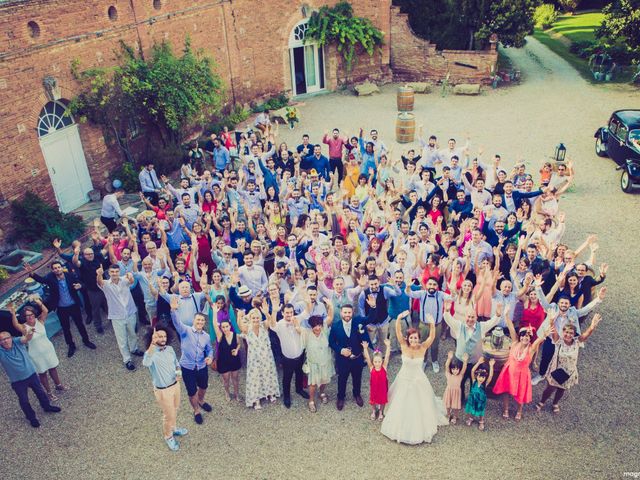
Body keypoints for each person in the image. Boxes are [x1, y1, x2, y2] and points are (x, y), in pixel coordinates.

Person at [380, 311, 449, 444]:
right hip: (404, 378)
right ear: (408, 338)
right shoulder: (404, 345)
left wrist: (432, 325)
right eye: (411, 338)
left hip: (418, 379)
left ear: (418, 338)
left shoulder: (423, 347)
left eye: (415, 338)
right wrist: (399, 318)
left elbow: (432, 337)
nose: (413, 340)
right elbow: (399, 332)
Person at [25, 260, 96, 358]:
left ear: (62, 267)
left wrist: (80, 286)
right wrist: (31, 273)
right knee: (66, 328)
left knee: (80, 325)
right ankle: (71, 345)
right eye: (55, 268)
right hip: (61, 309)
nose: (57, 269)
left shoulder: (70, 276)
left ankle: (86, 341)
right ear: (52, 270)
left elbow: (81, 283)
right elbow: (41, 280)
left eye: (59, 267)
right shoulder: (50, 278)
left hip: (73, 306)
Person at [535, 314, 602, 414]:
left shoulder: (577, 342)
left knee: (561, 389)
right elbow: (553, 329)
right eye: (566, 332)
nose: (568, 335)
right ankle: (542, 402)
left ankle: (555, 403)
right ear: (563, 332)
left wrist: (592, 326)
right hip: (556, 370)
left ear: (574, 334)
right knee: (550, 388)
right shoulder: (558, 341)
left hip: (569, 372)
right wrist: (551, 321)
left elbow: (586, 335)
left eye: (571, 333)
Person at [492, 311, 550, 420]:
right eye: (523, 336)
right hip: (509, 372)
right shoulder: (514, 343)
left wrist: (545, 334)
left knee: (520, 394)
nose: (525, 338)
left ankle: (519, 411)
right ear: (520, 337)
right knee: (506, 391)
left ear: (529, 338)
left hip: (522, 375)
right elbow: (511, 328)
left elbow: (539, 340)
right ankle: (506, 409)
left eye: (527, 336)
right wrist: (506, 316)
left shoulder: (531, 349)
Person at [0, 330, 61, 428]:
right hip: (17, 381)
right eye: (2, 340)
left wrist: (30, 333)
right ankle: (32, 418)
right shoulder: (1, 352)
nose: (5, 341)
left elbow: (26, 338)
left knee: (40, 392)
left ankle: (47, 406)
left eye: (6, 338)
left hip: (31, 375)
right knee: (24, 400)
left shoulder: (17, 342)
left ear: (11, 338)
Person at [9, 299, 66, 401]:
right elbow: (15, 324)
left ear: (34, 314)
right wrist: (13, 314)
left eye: (31, 314)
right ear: (24, 317)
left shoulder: (40, 321)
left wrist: (39, 303)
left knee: (53, 367)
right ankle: (49, 393)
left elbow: (45, 311)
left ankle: (59, 385)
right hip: (36, 354)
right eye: (27, 315)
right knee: (42, 373)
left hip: (47, 349)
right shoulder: (24, 327)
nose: (30, 317)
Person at [169, 296, 214, 424]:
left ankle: (201, 400)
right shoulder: (185, 331)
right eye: (198, 320)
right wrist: (174, 311)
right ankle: (196, 410)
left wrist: (210, 357)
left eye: (202, 320)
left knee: (204, 386)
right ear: (193, 321)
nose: (200, 322)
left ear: (204, 323)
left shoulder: (206, 336)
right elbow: (177, 323)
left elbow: (210, 349)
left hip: (201, 366)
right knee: (192, 391)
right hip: (187, 367)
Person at [142, 327, 188, 451]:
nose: (162, 339)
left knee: (176, 408)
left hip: (175, 385)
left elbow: (176, 363)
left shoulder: (170, 349)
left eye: (164, 336)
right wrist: (152, 344)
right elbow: (145, 363)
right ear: (152, 338)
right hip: (163, 390)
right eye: (158, 336)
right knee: (169, 415)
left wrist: (178, 372)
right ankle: (168, 436)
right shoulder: (150, 354)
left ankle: (173, 428)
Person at [96, 264, 143, 370]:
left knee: (133, 334)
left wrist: (130, 276)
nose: (114, 274)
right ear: (109, 273)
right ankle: (127, 360)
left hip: (130, 312)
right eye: (112, 272)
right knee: (122, 339)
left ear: (119, 272)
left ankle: (134, 349)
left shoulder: (124, 280)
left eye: (116, 271)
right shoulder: (106, 284)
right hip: (117, 316)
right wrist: (99, 274)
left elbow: (131, 281)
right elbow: (99, 282)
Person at [268, 303, 309, 409]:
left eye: (291, 312)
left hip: (300, 355)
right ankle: (287, 396)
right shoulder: (280, 324)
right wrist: (274, 311)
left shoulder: (297, 319)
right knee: (287, 378)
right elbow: (272, 325)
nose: (289, 314)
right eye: (287, 312)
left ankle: (299, 389)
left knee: (299, 373)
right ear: (282, 313)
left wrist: (305, 295)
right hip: (288, 358)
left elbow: (307, 311)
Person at [238, 307, 280, 409]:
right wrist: (239, 316)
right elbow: (239, 325)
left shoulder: (264, 326)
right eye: (253, 318)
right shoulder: (247, 329)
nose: (256, 320)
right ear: (250, 319)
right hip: (254, 358)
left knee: (268, 374)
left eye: (257, 318)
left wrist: (267, 313)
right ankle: (256, 399)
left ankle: (270, 393)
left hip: (266, 356)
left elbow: (270, 321)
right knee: (255, 377)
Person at [328, 304, 368, 411]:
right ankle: (341, 397)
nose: (347, 315)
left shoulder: (357, 324)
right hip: (342, 360)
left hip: (357, 358)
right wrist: (341, 350)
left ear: (352, 312)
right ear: (341, 313)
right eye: (345, 312)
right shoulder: (335, 326)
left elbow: (370, 319)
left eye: (349, 312)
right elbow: (331, 342)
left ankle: (357, 394)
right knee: (342, 379)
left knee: (357, 378)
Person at [296, 314, 335, 413]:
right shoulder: (307, 334)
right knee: (313, 384)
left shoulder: (325, 331)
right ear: (311, 326)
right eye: (315, 325)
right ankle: (311, 401)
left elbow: (330, 317)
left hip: (325, 362)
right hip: (313, 364)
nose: (318, 328)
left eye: (319, 325)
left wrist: (330, 305)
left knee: (324, 380)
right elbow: (296, 325)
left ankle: (322, 393)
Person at [210, 303, 242, 402]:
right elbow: (215, 324)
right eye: (223, 327)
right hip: (223, 362)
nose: (225, 329)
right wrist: (215, 312)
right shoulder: (220, 336)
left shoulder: (235, 335)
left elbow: (239, 344)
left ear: (229, 325)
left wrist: (236, 350)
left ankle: (237, 394)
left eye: (226, 326)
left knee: (235, 379)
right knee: (226, 380)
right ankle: (227, 393)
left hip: (234, 360)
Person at [362, 338, 391, 421]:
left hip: (382, 389)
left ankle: (381, 411)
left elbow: (387, 357)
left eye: (379, 361)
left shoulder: (384, 367)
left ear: (381, 361)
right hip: (374, 388)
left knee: (382, 400)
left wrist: (388, 346)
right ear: (373, 362)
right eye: (375, 362)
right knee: (373, 400)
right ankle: (374, 410)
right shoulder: (371, 368)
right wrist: (365, 348)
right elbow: (367, 358)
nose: (377, 363)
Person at [464, 357, 495, 430]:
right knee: (471, 409)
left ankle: (481, 421)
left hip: (480, 401)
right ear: (476, 376)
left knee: (481, 411)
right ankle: (471, 418)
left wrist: (491, 366)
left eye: (483, 377)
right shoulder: (474, 381)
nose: (481, 378)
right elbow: (472, 371)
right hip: (472, 399)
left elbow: (490, 376)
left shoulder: (485, 384)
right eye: (480, 376)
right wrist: (478, 363)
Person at [442, 351, 468, 425]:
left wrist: (465, 361)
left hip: (456, 393)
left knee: (455, 406)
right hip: (449, 391)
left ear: (459, 369)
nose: (455, 371)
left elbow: (464, 368)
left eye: (457, 369)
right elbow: (446, 366)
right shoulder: (448, 374)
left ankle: (455, 416)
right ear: (451, 369)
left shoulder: (460, 375)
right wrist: (449, 359)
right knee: (448, 405)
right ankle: (448, 414)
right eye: (453, 369)